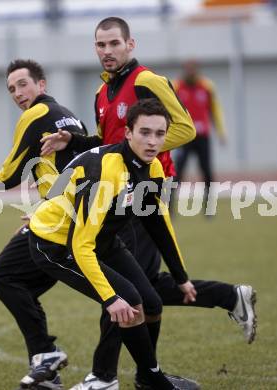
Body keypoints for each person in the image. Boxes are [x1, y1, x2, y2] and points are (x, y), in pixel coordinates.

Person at [40, 17, 257, 390]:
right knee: (140, 285)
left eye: (114, 44)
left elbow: (185, 128)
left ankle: (107, 376)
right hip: (117, 187)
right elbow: (110, 140)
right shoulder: (101, 92)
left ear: (130, 44)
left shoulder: (146, 80)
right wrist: (74, 142)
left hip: (142, 190)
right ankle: (224, 299)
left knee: (124, 286)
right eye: (101, 45)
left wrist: (142, 156)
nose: (107, 51)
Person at [29, 98, 200, 390]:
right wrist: (110, 299)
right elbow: (79, 245)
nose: (152, 141)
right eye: (145, 132)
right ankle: (141, 379)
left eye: (160, 134)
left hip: (102, 241)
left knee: (152, 303)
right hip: (55, 244)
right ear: (128, 133)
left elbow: (158, 223)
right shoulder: (105, 172)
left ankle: (147, 377)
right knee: (130, 302)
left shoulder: (153, 167)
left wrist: (181, 277)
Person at [0, 59, 87, 390]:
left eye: (22, 84)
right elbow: (69, 171)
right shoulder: (70, 115)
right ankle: (45, 367)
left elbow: (9, 175)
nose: (17, 93)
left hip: (62, 220)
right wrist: (40, 212)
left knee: (3, 276)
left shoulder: (35, 115)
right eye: (11, 89)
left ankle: (47, 355)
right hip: (76, 214)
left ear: (41, 85)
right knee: (18, 281)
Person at [173, 59, 227, 212]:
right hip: (184, 137)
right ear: (184, 70)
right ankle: (169, 207)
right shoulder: (176, 87)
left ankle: (209, 208)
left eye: (193, 69)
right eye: (188, 68)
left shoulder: (207, 86)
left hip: (203, 136)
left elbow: (215, 110)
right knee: (177, 172)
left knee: (207, 171)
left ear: (197, 70)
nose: (190, 72)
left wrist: (221, 132)